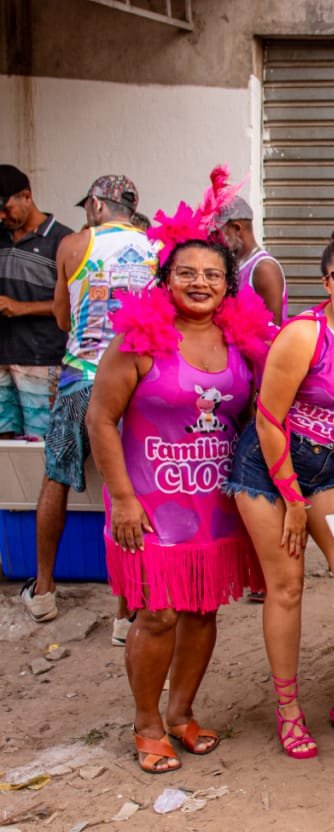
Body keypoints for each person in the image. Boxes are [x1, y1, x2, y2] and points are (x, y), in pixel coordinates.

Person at [87, 236, 270, 773]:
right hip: (146, 502)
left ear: (228, 285)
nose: (200, 283)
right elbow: (100, 419)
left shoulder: (241, 344)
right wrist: (121, 498)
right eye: (186, 273)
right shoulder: (138, 341)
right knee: (159, 612)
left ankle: (182, 713)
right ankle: (146, 723)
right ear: (165, 280)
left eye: (212, 275)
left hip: (213, 502)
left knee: (201, 608)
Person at [227, 228, 334, 758]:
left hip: (332, 466)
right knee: (289, 585)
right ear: (326, 282)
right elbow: (270, 418)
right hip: (270, 467)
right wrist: (293, 501)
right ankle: (289, 707)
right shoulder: (303, 334)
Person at [22, 175, 155, 629]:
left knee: (55, 478)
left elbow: (61, 316)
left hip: (82, 380)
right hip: (136, 381)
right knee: (129, 489)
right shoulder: (159, 247)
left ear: (98, 205)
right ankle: (126, 612)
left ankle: (43, 590)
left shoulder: (74, 245)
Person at [0, 165, 72, 440]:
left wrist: (20, 307)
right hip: (3, 355)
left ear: (26, 196)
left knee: (40, 441)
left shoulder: (63, 240)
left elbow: (75, 305)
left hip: (42, 358)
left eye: (6, 208)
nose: (1, 216)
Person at [215, 193, 287, 324]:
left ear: (237, 228)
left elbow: (273, 329)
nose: (214, 239)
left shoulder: (264, 268)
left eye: (217, 233)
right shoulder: (234, 263)